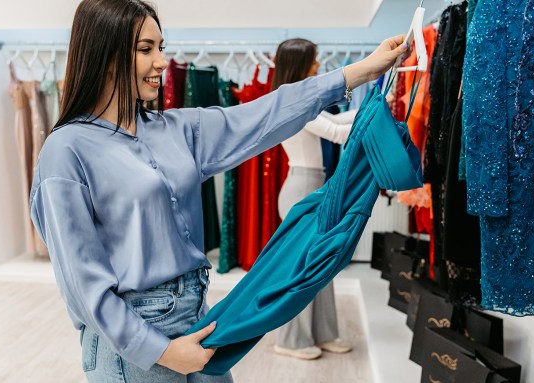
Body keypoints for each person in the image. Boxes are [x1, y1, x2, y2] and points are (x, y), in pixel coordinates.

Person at [29, 0, 409, 381]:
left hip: (199, 319)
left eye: (160, 47)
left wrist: (360, 71)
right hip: (130, 341)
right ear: (105, 54)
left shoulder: (177, 129)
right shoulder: (66, 151)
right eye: (145, 49)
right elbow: (82, 283)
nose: (161, 61)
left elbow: (265, 113)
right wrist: (159, 350)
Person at [271, 38, 356, 360]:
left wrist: (377, 105)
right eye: (315, 60)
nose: (319, 66)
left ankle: (323, 333)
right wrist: (373, 118)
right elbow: (336, 134)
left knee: (320, 264)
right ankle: (291, 339)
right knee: (302, 269)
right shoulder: (293, 104)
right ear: (301, 65)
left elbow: (335, 121)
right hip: (301, 189)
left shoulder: (300, 102)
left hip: (312, 186)